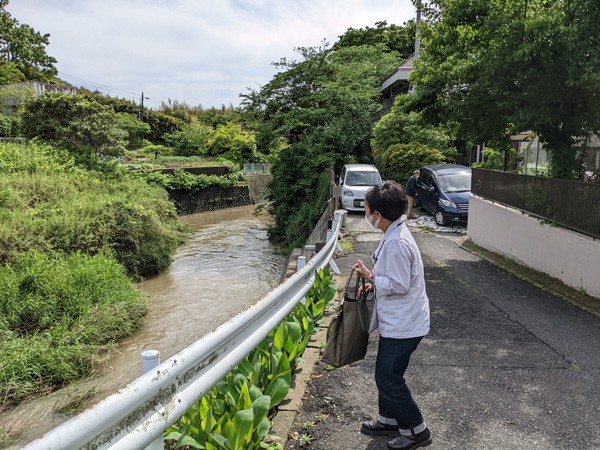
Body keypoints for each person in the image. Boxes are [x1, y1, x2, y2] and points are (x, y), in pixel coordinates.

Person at [353, 181, 432, 450]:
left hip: (404, 324)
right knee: (385, 373)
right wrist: (373, 283)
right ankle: (389, 420)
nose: (366, 214)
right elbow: (396, 278)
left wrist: (370, 276)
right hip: (400, 321)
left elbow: (399, 284)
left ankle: (416, 431)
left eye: (367, 209)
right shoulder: (394, 233)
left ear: (378, 214)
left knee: (389, 377)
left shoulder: (397, 241)